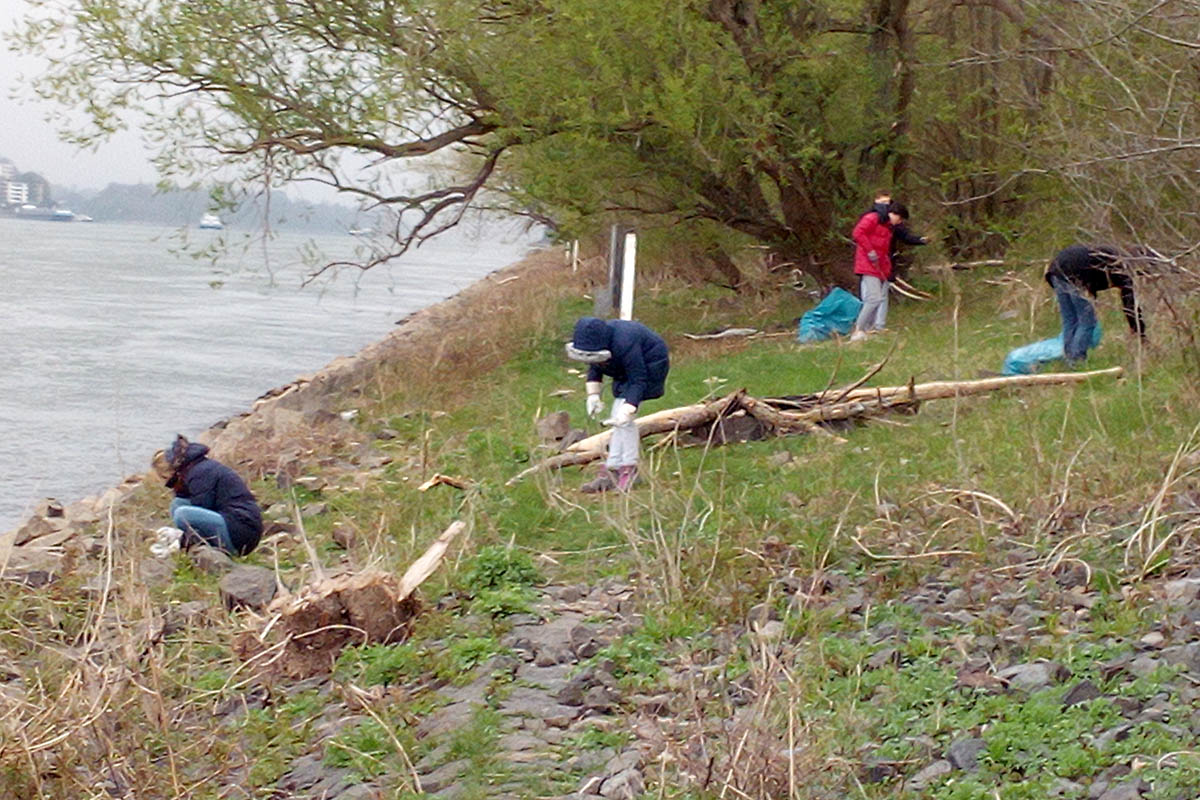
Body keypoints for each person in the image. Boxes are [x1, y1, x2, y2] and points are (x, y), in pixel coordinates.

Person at [565, 317, 670, 493]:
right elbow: (595, 367)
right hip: (624, 372)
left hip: (649, 366)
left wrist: (630, 407)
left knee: (624, 419)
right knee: (618, 418)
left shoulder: (625, 344)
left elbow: (638, 378)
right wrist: (593, 395)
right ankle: (613, 467)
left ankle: (629, 468)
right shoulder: (599, 347)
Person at [152, 434, 264, 555]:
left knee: (181, 514)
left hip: (240, 534)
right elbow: (189, 501)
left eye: (168, 479)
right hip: (235, 525)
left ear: (173, 471)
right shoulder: (198, 467)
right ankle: (190, 542)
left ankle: (184, 543)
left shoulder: (200, 474)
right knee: (177, 504)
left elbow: (201, 506)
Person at [1044, 244, 1152, 365]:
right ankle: (1076, 360)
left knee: (1071, 319)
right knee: (1087, 321)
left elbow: (1092, 275)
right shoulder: (1122, 267)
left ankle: (1068, 357)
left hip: (1056, 271)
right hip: (1074, 274)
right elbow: (1130, 305)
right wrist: (1139, 332)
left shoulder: (1111, 254)